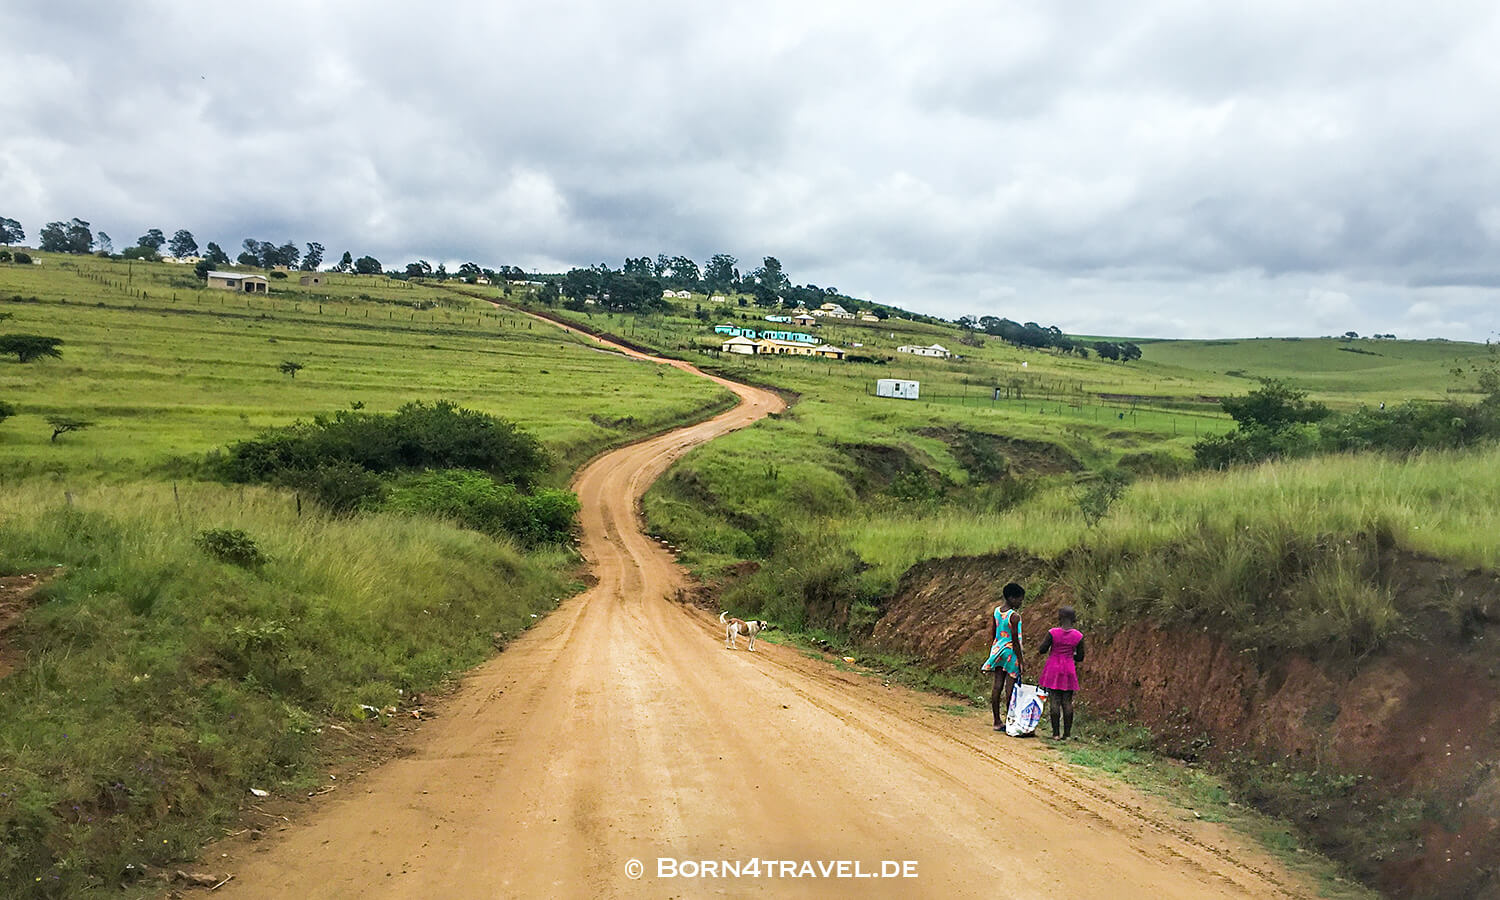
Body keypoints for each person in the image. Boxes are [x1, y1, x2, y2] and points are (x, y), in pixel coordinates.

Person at [1036, 606, 1085, 740]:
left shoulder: (1053, 633)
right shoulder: (1078, 636)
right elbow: (1080, 657)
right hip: (1069, 668)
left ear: (1059, 618)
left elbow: (1042, 649)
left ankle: (1056, 733)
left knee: (1054, 701)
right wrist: (1070, 655)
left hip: (1053, 667)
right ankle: (1067, 734)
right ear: (1074, 619)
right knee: (1067, 702)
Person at [981, 583, 1025, 733]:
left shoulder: (996, 611)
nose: (1020, 602)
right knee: (1010, 688)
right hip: (1010, 653)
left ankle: (996, 721)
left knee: (997, 685)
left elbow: (994, 632)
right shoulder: (1014, 616)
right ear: (1012, 598)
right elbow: (1015, 641)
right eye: (1020, 599)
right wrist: (1021, 661)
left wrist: (994, 649)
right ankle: (1011, 722)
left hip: (998, 650)